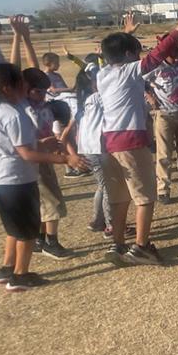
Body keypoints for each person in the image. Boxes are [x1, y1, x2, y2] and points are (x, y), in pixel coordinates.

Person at [97, 5, 178, 265]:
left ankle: (118, 245)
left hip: (109, 143)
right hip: (131, 141)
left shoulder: (102, 73)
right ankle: (141, 247)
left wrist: (124, 33)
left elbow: (111, 51)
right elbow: (159, 53)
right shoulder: (130, 70)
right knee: (145, 198)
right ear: (130, 54)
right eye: (135, 50)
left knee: (120, 199)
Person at [0, 62, 87, 292]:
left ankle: (7, 268)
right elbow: (26, 154)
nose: (25, 88)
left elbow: (16, 146)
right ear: (8, 88)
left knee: (14, 229)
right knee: (27, 232)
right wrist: (66, 160)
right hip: (17, 180)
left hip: (0, 178)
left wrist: (41, 143)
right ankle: (20, 275)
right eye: (21, 84)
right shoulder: (15, 115)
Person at [144, 38, 178, 203]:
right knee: (164, 154)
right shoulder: (156, 66)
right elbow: (141, 81)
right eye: (173, 56)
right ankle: (163, 190)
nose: (176, 59)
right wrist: (150, 96)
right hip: (164, 114)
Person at [73, 64, 111, 235]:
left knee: (102, 185)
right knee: (108, 186)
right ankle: (111, 225)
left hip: (87, 147)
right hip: (96, 147)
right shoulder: (98, 98)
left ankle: (97, 220)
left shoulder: (82, 100)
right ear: (91, 83)